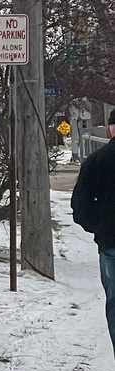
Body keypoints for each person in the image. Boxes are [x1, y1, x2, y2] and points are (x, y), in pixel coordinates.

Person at [71, 108, 115, 356]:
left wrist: (99, 227)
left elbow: (81, 207)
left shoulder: (97, 161)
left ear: (110, 129)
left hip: (111, 244)